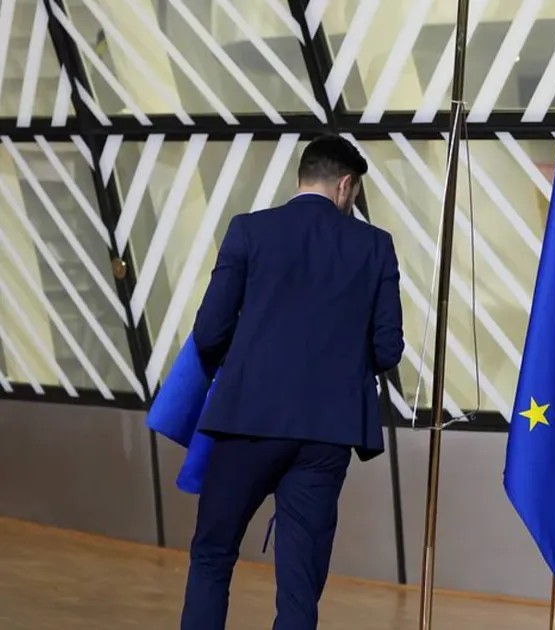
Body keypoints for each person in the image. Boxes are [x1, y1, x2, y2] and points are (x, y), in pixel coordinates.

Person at [181, 135, 403, 630]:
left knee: (214, 553)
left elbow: (209, 331)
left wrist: (245, 366)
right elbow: (388, 350)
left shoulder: (248, 231)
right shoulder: (375, 246)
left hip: (247, 421)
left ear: (303, 176)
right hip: (328, 434)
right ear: (345, 185)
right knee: (300, 581)